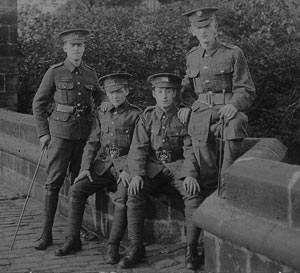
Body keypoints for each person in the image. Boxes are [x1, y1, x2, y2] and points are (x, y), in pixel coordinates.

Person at [118, 73, 204, 270]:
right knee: (134, 192)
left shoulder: (184, 116)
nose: (164, 96)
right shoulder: (147, 117)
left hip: (177, 165)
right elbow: (138, 148)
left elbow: (190, 148)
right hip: (154, 166)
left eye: (168, 91)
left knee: (193, 194)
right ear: (153, 93)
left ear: (175, 93)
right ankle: (136, 248)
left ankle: (191, 250)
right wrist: (137, 174)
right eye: (160, 91)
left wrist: (190, 174)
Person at [32, 28, 107, 250]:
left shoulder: (90, 73)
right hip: (60, 135)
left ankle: (75, 231)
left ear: (84, 48)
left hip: (83, 136)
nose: (76, 49)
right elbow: (39, 103)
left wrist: (104, 101)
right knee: (53, 184)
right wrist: (43, 133)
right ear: (65, 48)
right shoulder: (54, 72)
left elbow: (100, 93)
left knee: (78, 184)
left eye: (80, 45)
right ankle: (46, 234)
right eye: (72, 45)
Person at [54, 73, 141, 261]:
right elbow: (92, 142)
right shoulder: (102, 113)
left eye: (119, 92)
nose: (115, 96)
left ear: (127, 91)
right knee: (76, 189)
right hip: (102, 166)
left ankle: (112, 246)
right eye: (110, 93)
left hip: (123, 169)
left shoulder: (136, 115)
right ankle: (73, 239)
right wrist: (85, 168)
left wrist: (127, 169)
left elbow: (138, 148)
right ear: (107, 95)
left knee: (122, 198)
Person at [179, 7, 256, 197]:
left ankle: (226, 183)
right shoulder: (192, 56)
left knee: (237, 122)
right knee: (198, 132)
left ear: (215, 27)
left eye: (207, 26)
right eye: (199, 28)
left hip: (225, 110)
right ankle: (210, 187)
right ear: (193, 31)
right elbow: (186, 90)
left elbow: (245, 88)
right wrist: (187, 107)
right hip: (202, 112)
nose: (203, 32)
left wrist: (234, 105)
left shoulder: (233, 53)